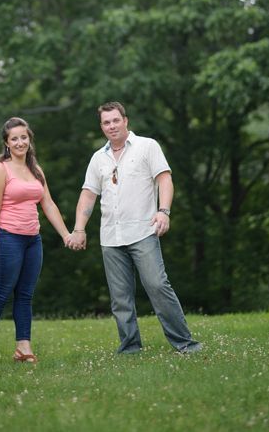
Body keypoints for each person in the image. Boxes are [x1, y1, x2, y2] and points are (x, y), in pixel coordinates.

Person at [67, 102, 202, 355]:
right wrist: (79, 228)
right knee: (120, 298)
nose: (111, 126)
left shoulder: (147, 146)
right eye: (106, 122)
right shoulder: (98, 158)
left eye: (115, 120)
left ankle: (185, 343)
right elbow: (87, 195)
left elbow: (165, 179)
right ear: (101, 126)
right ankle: (130, 348)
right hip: (110, 236)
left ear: (125, 120)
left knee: (157, 285)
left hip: (143, 231)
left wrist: (164, 211)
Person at [0, 117, 73, 367]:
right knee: (0, 294)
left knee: (25, 295)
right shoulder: (0, 170)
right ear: (6, 143)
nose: (20, 142)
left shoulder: (36, 170)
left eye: (23, 137)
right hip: (8, 238)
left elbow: (47, 204)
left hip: (32, 240)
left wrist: (66, 234)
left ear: (30, 139)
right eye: (14, 138)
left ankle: (23, 348)